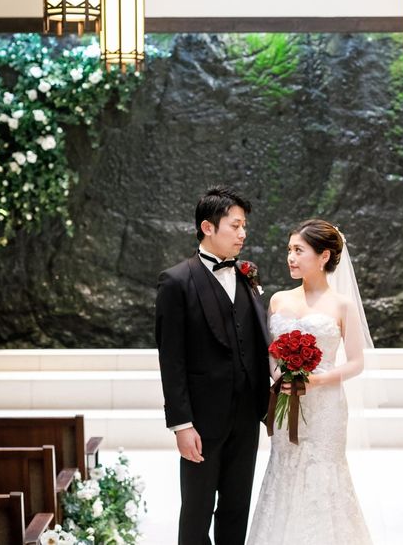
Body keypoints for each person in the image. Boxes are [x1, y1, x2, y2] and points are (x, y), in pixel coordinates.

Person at [247, 219, 374, 545]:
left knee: (324, 472)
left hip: (326, 407)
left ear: (323, 256)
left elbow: (357, 362)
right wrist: (280, 376)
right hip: (286, 399)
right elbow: (270, 353)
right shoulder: (278, 300)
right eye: (289, 250)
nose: (290, 257)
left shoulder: (342, 305)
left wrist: (317, 380)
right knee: (285, 466)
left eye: (299, 250)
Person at [155, 186, 270, 545]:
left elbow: (256, 341)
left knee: (237, 507)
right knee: (197, 509)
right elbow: (171, 359)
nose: (242, 233)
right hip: (202, 419)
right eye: (235, 226)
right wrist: (182, 424)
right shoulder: (176, 281)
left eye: (244, 226)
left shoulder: (247, 276)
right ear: (208, 227)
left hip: (247, 414)